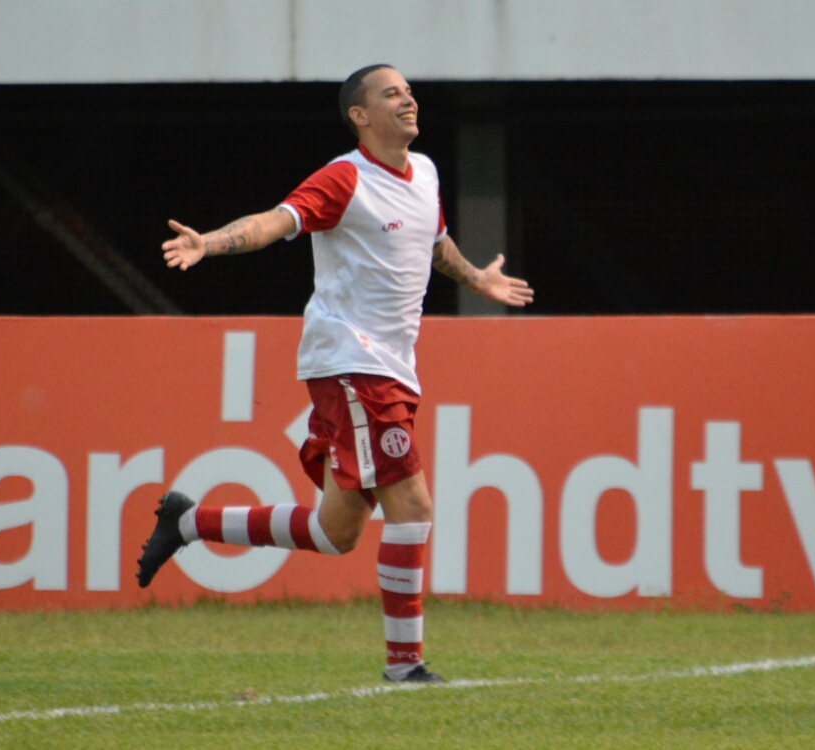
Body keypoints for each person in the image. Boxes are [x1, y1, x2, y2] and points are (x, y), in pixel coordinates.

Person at [136, 63, 534, 683]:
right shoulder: (345, 177)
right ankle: (405, 668)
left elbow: (433, 244)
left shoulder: (424, 172)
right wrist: (209, 243)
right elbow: (275, 222)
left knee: (337, 530)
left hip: (392, 367)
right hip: (352, 362)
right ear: (359, 115)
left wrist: (479, 276)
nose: (408, 99)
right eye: (391, 93)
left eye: (408, 90)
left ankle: (187, 520)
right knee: (414, 503)